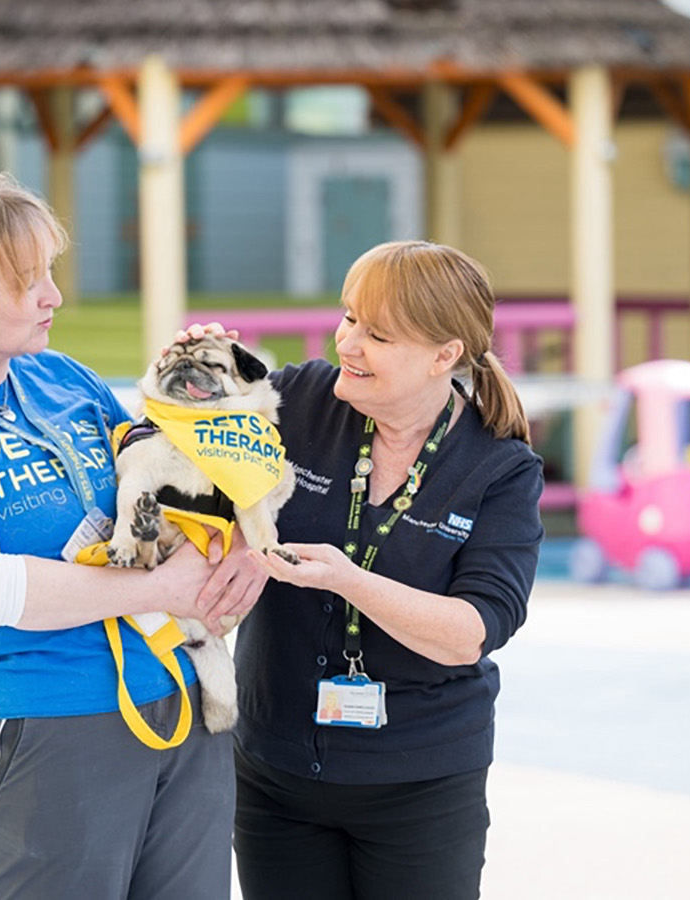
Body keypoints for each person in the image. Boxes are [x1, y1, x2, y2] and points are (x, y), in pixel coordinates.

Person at [0, 172, 263, 900]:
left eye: (50, 274)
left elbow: (171, 489)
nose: (52, 297)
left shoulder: (59, 376)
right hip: (39, 724)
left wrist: (238, 530)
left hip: (180, 703)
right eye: (25, 281)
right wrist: (160, 587)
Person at [223, 240, 544, 900]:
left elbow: (472, 630)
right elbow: (196, 444)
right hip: (276, 772)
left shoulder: (499, 468)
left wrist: (348, 578)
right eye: (348, 318)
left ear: (443, 356)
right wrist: (199, 370)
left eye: (377, 335)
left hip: (419, 784)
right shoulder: (299, 399)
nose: (348, 343)